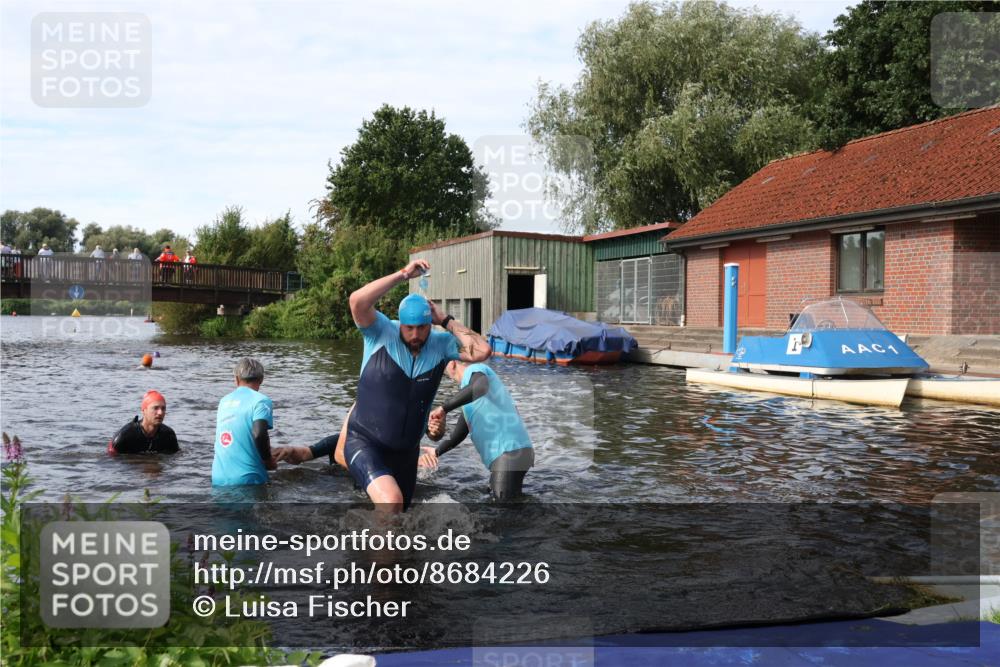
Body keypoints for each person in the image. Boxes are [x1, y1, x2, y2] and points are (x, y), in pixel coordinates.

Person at [277, 259, 491, 512]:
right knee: (391, 502)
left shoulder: (440, 343)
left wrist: (445, 319)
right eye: (409, 328)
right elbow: (357, 301)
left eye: (422, 328)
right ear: (400, 323)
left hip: (406, 453)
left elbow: (482, 350)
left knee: (400, 518)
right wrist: (402, 275)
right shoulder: (379, 332)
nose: (415, 335)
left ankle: (373, 550)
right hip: (365, 442)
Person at [419, 360, 534, 500]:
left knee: (504, 509)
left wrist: (444, 408)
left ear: (453, 363)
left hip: (509, 452)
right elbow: (459, 434)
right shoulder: (470, 396)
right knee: (501, 502)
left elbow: (480, 386)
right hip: (512, 453)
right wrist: (436, 451)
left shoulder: (475, 369)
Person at [212, 357, 276, 486]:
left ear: (236, 379)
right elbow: (259, 434)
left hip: (218, 478)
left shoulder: (224, 401)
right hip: (249, 479)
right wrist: (268, 460)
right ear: (261, 379)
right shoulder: (261, 401)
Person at [108, 390, 179, 455]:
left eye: (163, 408)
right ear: (144, 410)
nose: (160, 412)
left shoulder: (168, 435)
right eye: (155, 408)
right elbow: (111, 461)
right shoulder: (125, 435)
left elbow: (176, 457)